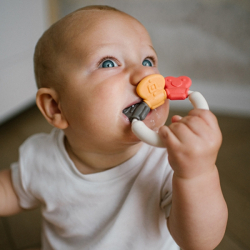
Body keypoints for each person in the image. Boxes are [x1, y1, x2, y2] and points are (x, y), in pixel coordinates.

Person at [0, 5, 228, 250]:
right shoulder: (42, 157)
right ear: (56, 107)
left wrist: (197, 174)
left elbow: (200, 242)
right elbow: (8, 190)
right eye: (109, 63)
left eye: (148, 60)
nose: (144, 75)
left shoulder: (169, 162)